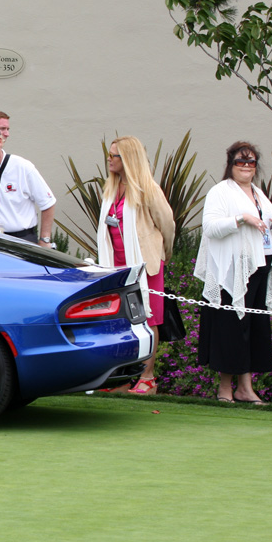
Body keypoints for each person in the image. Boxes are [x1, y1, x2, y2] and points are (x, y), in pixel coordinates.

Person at [195, 141, 272, 404]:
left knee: (253, 326)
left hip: (259, 265)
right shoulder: (220, 191)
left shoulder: (258, 192)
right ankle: (225, 388)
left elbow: (264, 226)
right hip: (232, 270)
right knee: (231, 328)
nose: (246, 166)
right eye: (240, 161)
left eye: (251, 162)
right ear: (231, 164)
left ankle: (245, 387)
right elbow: (210, 228)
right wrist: (242, 218)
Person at [96, 136, 175, 394]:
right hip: (116, 266)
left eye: (114, 156)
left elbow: (168, 225)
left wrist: (161, 254)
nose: (109, 159)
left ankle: (148, 378)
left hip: (145, 266)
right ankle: (122, 378)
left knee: (149, 319)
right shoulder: (111, 189)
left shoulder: (148, 189)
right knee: (121, 321)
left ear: (128, 159)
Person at [0, 123, 56, 246]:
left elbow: (48, 203)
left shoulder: (22, 167)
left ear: (0, 141)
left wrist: (45, 240)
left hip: (21, 239)